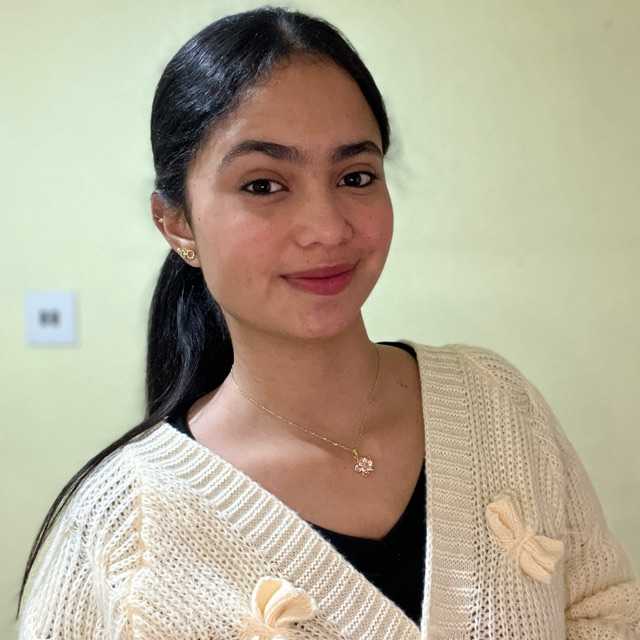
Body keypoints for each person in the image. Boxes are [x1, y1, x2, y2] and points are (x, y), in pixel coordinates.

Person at [16, 6, 640, 639]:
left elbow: (605, 612)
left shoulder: (496, 405)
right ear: (176, 224)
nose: (326, 228)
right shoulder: (124, 532)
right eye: (263, 185)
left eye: (355, 176)